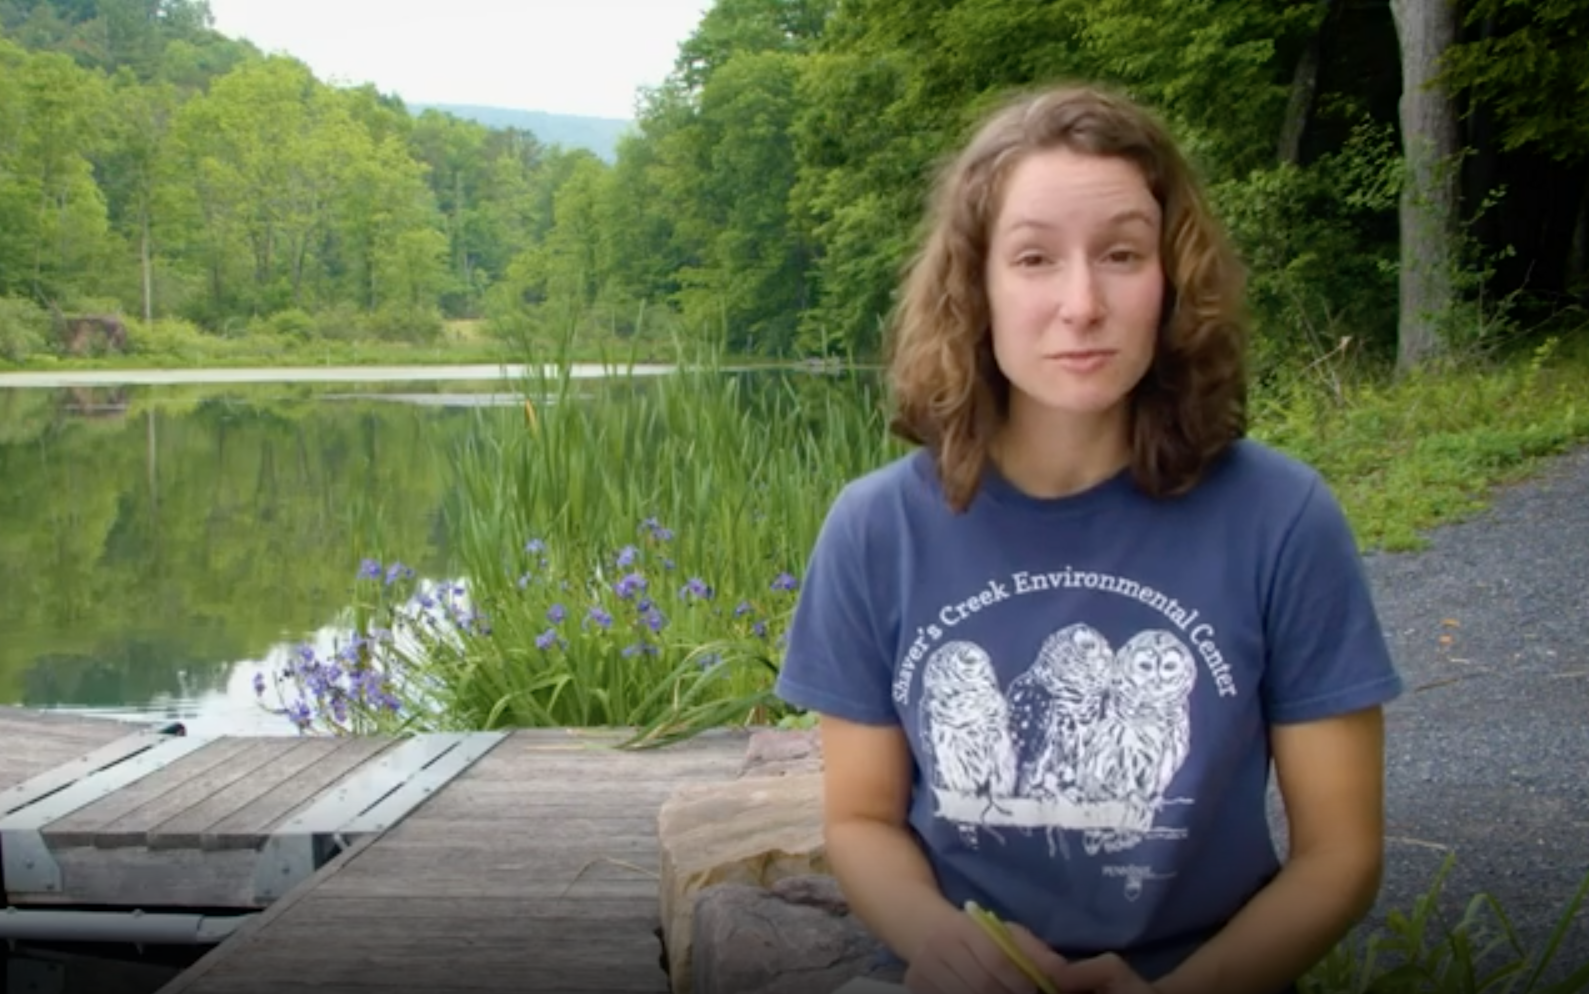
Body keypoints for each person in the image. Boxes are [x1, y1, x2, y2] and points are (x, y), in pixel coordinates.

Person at [773, 81, 1403, 994]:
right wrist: (938, 943)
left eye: (1120, 254)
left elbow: (1339, 856)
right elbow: (862, 820)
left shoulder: (1279, 517)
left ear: (1170, 279)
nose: (1081, 303)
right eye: (1032, 259)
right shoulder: (876, 530)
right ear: (976, 287)